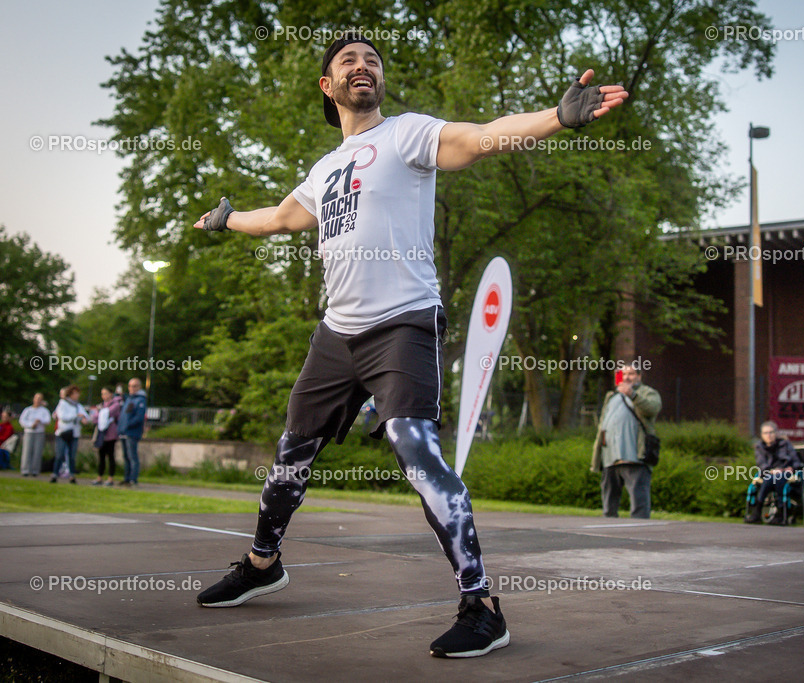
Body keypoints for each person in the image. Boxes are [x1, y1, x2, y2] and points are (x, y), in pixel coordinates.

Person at [191, 30, 628, 658]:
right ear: (328, 85)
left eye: (372, 60)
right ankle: (262, 565)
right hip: (336, 332)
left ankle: (481, 608)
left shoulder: (407, 134)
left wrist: (557, 117)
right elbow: (281, 218)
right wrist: (226, 219)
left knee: (414, 451)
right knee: (291, 451)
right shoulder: (324, 170)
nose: (363, 66)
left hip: (402, 322)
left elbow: (479, 137)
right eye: (349, 61)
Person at [591, 365, 662, 519]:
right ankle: (609, 530)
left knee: (639, 499)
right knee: (609, 501)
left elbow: (653, 409)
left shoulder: (647, 393)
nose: (627, 377)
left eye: (631, 374)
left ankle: (640, 530)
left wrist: (633, 395)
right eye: (623, 374)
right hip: (610, 457)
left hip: (634, 456)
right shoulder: (612, 396)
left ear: (639, 376)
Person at [744, 421, 800, 524]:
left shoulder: (785, 444)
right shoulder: (760, 447)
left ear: (776, 433)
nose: (768, 435)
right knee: (770, 478)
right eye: (765, 433)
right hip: (769, 473)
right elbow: (761, 464)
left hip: (785, 471)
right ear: (762, 435)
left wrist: (791, 468)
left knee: (777, 478)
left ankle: (772, 512)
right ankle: (766, 511)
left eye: (771, 432)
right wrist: (771, 471)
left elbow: (796, 461)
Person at [51, 385, 89, 484]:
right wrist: (76, 416)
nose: (77, 395)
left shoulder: (78, 405)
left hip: (74, 434)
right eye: (75, 393)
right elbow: (62, 417)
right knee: (59, 454)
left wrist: (84, 417)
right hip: (63, 433)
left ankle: (72, 475)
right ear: (71, 394)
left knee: (72, 456)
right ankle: (55, 474)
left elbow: (85, 416)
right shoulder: (62, 403)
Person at [117, 378, 147, 486]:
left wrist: (127, 425)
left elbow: (139, 418)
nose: (132, 388)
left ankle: (133, 479)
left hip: (132, 433)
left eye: (134, 386)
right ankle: (127, 478)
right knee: (126, 456)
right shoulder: (129, 399)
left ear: (139, 387)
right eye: (130, 386)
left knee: (132, 456)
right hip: (124, 432)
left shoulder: (140, 400)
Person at [91, 388, 122, 486]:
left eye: (106, 393)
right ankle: (99, 477)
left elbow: (107, 413)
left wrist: (100, 413)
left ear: (111, 394)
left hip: (111, 435)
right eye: (102, 394)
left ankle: (110, 478)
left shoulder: (115, 405)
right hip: (102, 435)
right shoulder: (101, 406)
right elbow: (95, 418)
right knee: (101, 457)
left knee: (111, 456)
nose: (104, 396)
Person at [19, 393, 50, 477]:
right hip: (29, 432)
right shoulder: (28, 410)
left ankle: (35, 470)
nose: (38, 400)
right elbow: (22, 421)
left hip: (39, 432)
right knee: (27, 451)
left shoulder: (44, 411)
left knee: (37, 451)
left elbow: (47, 420)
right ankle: (25, 469)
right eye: (36, 398)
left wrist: (40, 421)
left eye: (40, 398)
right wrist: (31, 425)